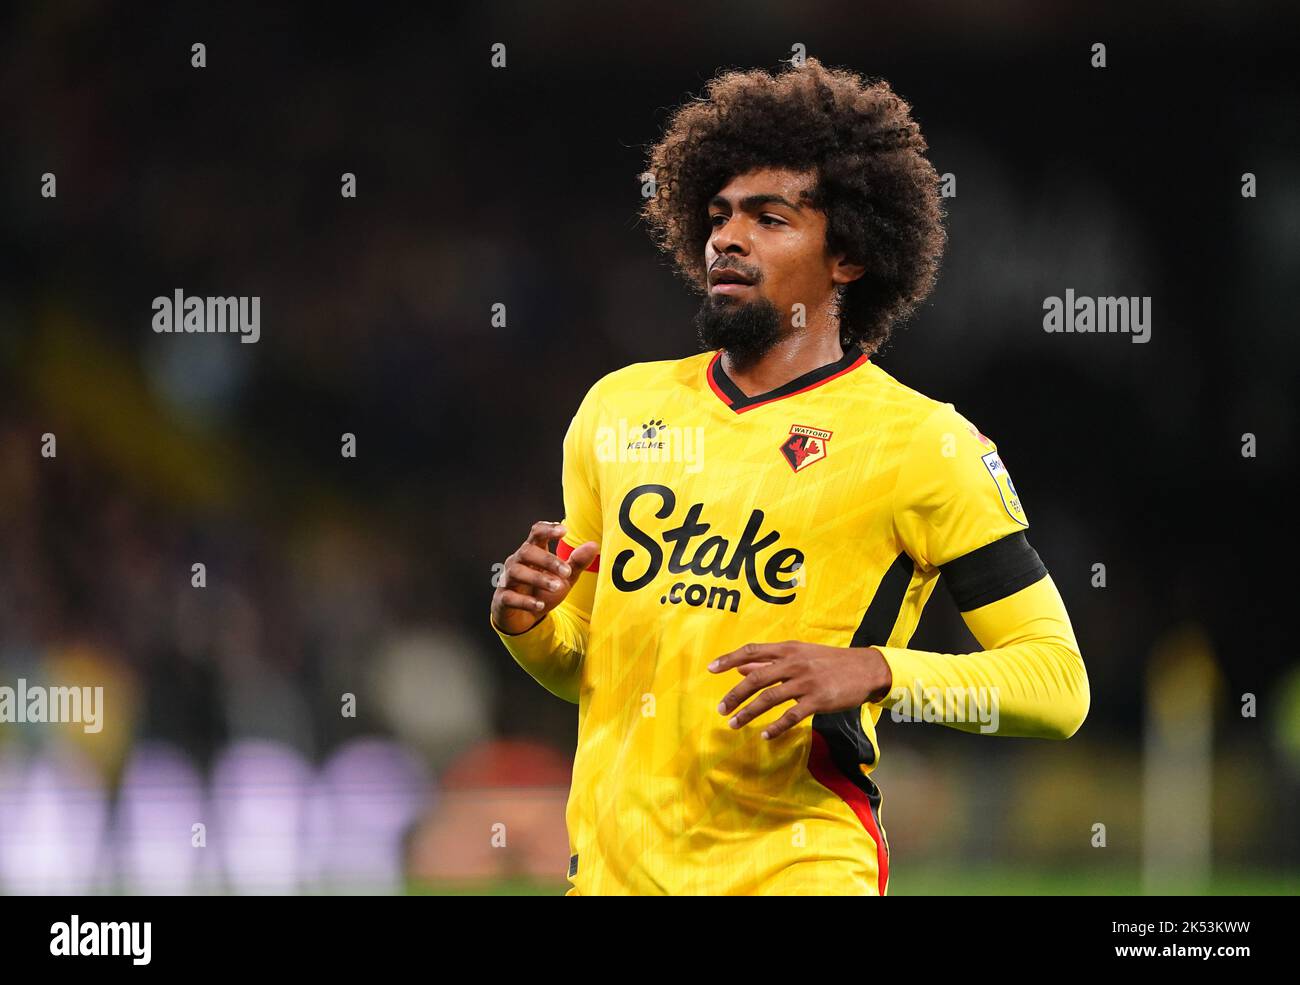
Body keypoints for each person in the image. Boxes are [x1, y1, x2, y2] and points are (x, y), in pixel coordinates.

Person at [490, 57, 1089, 895]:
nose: (726, 238)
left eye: (769, 218)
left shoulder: (925, 443)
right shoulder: (615, 410)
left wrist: (876, 670)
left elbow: (1058, 687)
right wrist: (532, 627)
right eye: (719, 214)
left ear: (847, 254)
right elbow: (586, 667)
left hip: (799, 871)